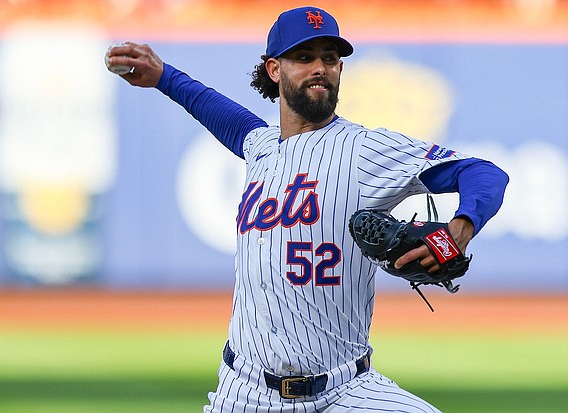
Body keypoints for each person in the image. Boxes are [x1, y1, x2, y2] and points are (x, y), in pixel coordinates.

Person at [108, 5, 509, 412]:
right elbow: (222, 114)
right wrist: (163, 78)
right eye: (304, 57)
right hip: (244, 391)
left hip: (345, 390)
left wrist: (459, 230)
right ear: (274, 70)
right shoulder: (260, 147)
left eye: (330, 58)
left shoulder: (364, 150)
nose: (321, 67)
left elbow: (485, 175)